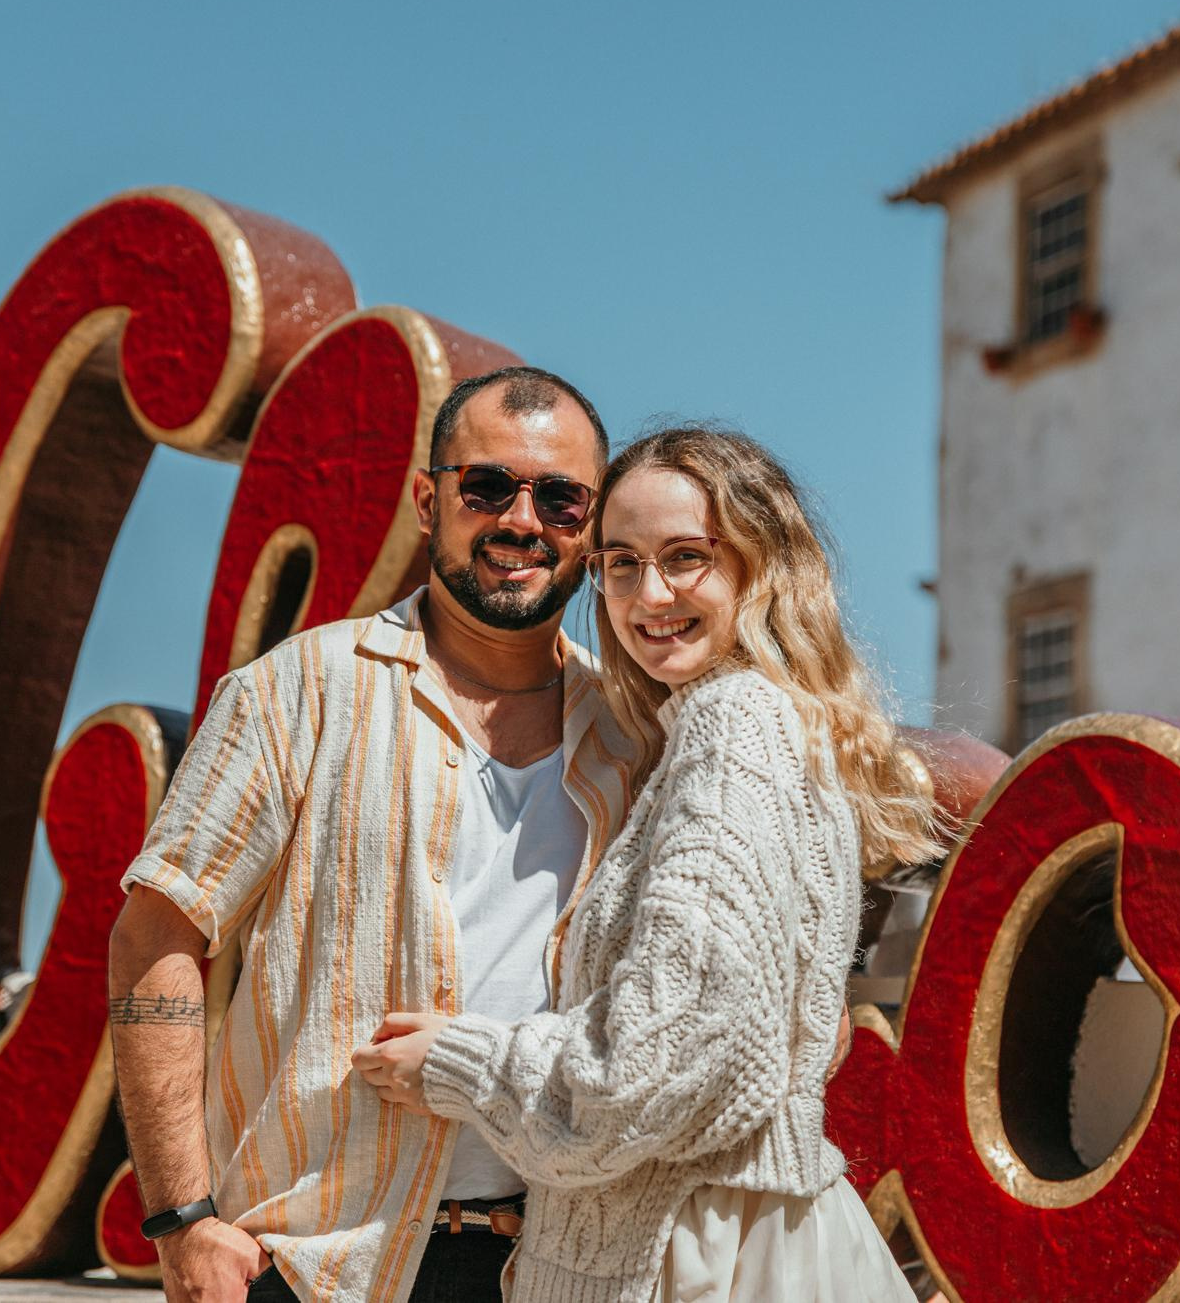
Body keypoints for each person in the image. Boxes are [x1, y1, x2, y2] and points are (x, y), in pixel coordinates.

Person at [352, 426, 941, 1302]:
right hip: (738, 1231)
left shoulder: (733, 726)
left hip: (692, 1253)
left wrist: (456, 1061)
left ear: (761, 566)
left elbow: (656, 1062)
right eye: (620, 563)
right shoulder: (759, 723)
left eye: (687, 556)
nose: (648, 593)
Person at [106, 366, 639, 1303]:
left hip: (555, 1267)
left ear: (592, 530)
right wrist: (181, 1220)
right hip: (317, 1267)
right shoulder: (295, 693)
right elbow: (156, 938)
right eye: (487, 487)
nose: (522, 520)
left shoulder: (632, 737)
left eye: (560, 497)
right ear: (429, 502)